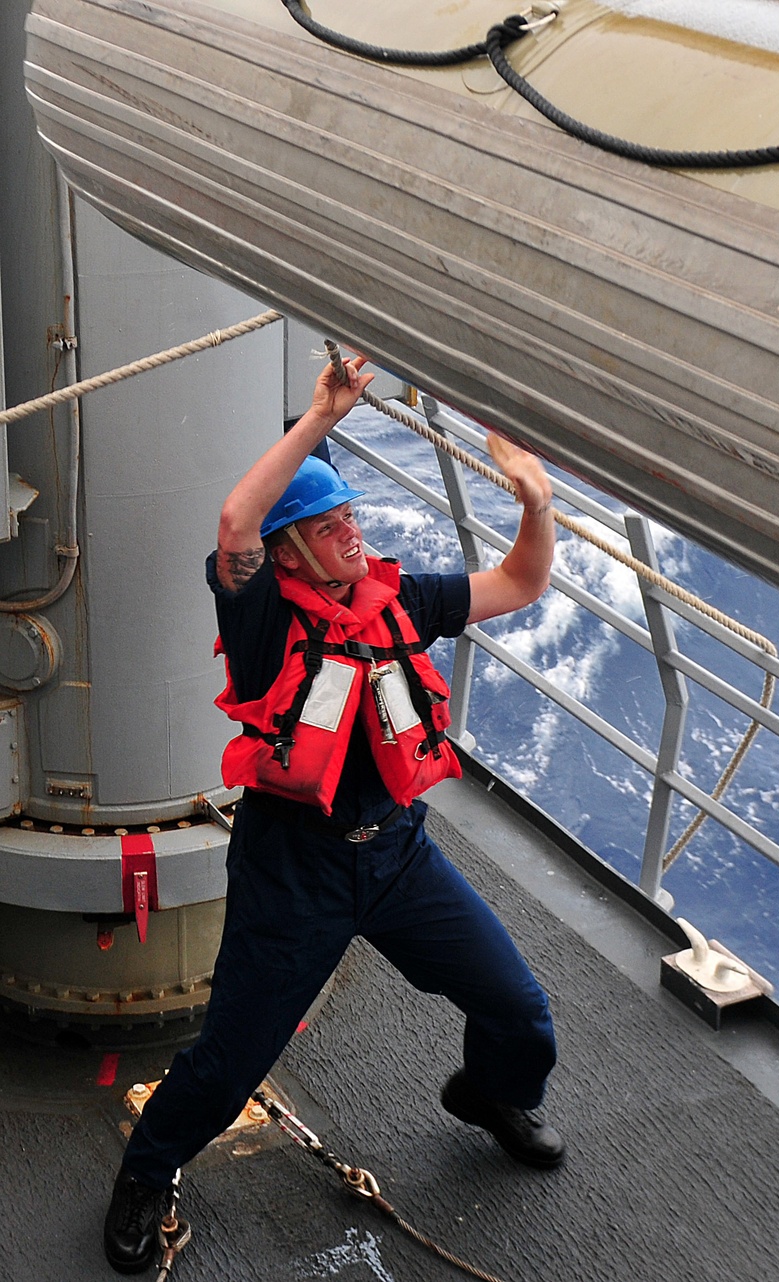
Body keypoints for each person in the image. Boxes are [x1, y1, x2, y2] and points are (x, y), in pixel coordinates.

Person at [103, 356, 564, 1274]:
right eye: (330, 526)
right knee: (230, 1062)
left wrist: (536, 500)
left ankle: (488, 1094)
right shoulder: (263, 617)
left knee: (519, 1009)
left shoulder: (395, 601)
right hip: (293, 873)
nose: (354, 534)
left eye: (353, 517)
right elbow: (236, 521)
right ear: (287, 553)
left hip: (395, 858)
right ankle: (144, 1174)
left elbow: (520, 585)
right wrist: (322, 417)